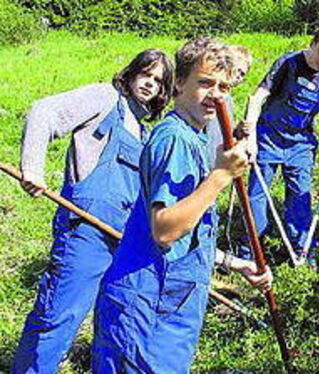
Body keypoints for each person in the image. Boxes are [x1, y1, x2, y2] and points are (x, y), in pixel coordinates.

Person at [91, 37, 272, 373]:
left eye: (223, 86)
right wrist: (220, 177)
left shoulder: (197, 137)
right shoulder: (174, 138)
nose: (215, 94)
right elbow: (164, 230)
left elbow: (190, 233)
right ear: (178, 83)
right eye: (204, 83)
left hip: (170, 306)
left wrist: (237, 264)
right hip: (145, 307)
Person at [12, 49, 174, 374]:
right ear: (130, 74)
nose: (150, 84)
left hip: (120, 240)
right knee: (58, 316)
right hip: (84, 231)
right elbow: (43, 111)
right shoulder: (104, 99)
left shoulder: (143, 132)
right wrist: (32, 168)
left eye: (158, 81)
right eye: (146, 74)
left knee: (112, 325)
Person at [240, 24, 319, 263]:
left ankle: (300, 252)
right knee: (257, 196)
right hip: (268, 138)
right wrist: (251, 139)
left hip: (300, 146)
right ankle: (250, 253)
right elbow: (257, 98)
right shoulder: (287, 64)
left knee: (300, 197)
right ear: (312, 43)